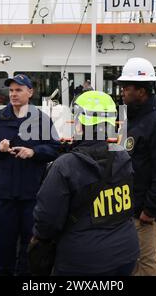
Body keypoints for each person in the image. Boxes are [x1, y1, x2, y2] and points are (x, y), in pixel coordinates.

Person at [30, 91, 139, 276]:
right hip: (126, 253)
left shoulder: (65, 166)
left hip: (82, 262)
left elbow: (47, 220)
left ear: (79, 125)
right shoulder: (122, 156)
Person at [0, 74, 60, 276]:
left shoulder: (42, 120)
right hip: (3, 196)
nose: (13, 94)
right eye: (11, 90)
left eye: (18, 90)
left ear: (30, 92)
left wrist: (34, 152)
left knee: (30, 242)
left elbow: (56, 149)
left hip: (31, 194)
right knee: (4, 241)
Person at [117, 57, 156, 276]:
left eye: (126, 87)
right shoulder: (135, 120)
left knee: (146, 261)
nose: (122, 91)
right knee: (132, 259)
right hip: (130, 207)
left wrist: (150, 210)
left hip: (144, 213)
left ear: (142, 91)